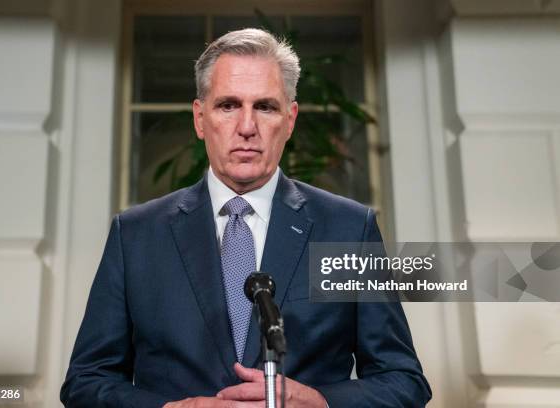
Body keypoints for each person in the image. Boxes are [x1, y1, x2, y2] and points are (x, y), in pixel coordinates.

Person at [60, 28, 432, 407]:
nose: (247, 127)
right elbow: (86, 382)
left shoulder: (348, 230)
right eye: (228, 105)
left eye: (265, 107)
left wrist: (321, 402)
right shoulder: (136, 235)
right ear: (200, 118)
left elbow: (403, 380)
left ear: (289, 120)